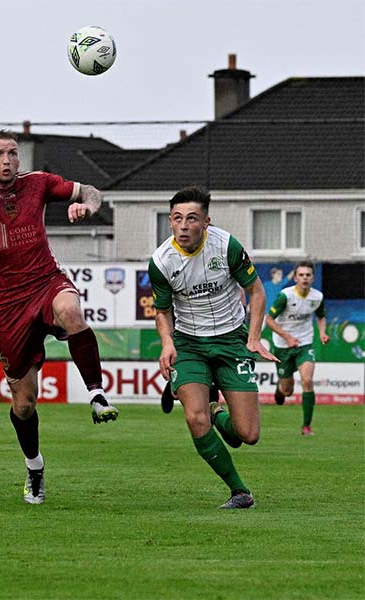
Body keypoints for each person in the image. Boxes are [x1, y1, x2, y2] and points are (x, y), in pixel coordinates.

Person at [0, 130, 118, 505]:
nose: (8, 160)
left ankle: (96, 393)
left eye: (12, 153)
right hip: (9, 304)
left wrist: (88, 207)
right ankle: (34, 467)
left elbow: (92, 191)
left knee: (70, 310)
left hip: (46, 281)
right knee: (24, 403)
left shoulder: (38, 184)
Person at [149, 185, 277, 509]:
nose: (183, 225)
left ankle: (216, 407)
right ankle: (239, 492)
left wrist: (253, 337)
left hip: (232, 340)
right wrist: (167, 343)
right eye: (176, 218)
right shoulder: (162, 261)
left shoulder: (227, 246)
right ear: (170, 222)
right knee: (194, 418)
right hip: (189, 344)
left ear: (206, 222)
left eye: (192, 218)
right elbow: (163, 311)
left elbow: (257, 292)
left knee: (245, 435)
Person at [264, 260, 329, 435]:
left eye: (308, 275)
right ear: (295, 277)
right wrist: (287, 337)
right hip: (283, 345)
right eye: (301, 275)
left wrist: (322, 333)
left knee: (307, 380)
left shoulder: (317, 297)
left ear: (313, 278)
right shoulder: (285, 296)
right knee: (287, 391)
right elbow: (268, 320)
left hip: (304, 343)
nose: (305, 278)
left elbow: (321, 316)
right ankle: (280, 388)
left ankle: (306, 427)